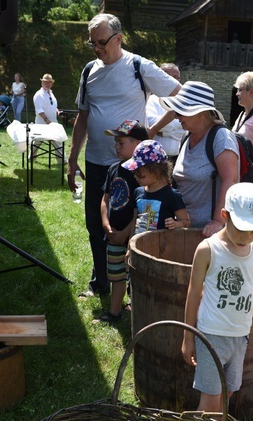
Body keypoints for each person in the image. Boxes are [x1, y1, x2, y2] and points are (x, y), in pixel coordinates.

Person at [67, 13, 181, 298]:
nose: (96, 48)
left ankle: (132, 287)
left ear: (118, 38)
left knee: (133, 225)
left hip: (133, 168)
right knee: (96, 224)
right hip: (95, 163)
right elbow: (83, 117)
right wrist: (71, 160)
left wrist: (151, 130)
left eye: (101, 42)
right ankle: (102, 282)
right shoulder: (88, 71)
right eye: (91, 43)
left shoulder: (138, 66)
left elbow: (181, 95)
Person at [181, 183, 253, 412]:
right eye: (242, 229)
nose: (247, 237)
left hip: (240, 337)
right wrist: (188, 337)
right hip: (211, 335)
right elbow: (193, 294)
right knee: (211, 398)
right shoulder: (208, 250)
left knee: (228, 391)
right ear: (225, 216)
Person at [160, 81, 239, 237]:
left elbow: (231, 180)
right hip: (183, 228)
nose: (176, 116)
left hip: (209, 233)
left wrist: (218, 221)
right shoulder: (186, 136)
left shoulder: (221, 137)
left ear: (201, 113)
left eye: (181, 111)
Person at [97, 120, 148, 322]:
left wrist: (128, 232)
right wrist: (105, 223)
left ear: (138, 144)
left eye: (121, 143)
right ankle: (114, 312)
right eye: (115, 143)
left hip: (134, 235)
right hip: (113, 233)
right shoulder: (113, 169)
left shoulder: (142, 174)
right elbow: (105, 198)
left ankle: (137, 310)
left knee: (135, 276)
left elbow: (140, 208)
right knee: (116, 275)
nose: (116, 147)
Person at [127, 140, 189, 234]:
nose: (135, 175)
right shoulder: (137, 192)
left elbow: (186, 222)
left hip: (162, 246)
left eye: (139, 172)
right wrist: (130, 245)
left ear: (156, 171)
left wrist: (175, 224)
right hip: (140, 246)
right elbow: (134, 222)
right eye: (134, 172)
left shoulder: (172, 195)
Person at [146, 63, 185, 163]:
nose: (175, 81)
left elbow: (188, 128)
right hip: (156, 159)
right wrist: (178, 126)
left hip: (180, 158)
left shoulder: (184, 103)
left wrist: (163, 132)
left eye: (177, 78)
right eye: (170, 77)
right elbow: (150, 122)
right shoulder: (152, 100)